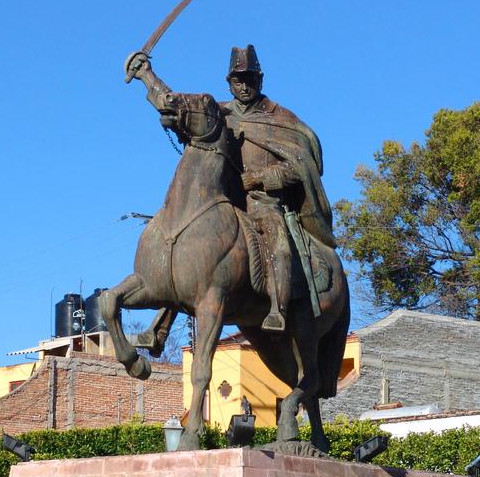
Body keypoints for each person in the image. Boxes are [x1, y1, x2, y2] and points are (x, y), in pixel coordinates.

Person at [124, 45, 337, 332]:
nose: (244, 85)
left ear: (260, 79)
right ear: (229, 83)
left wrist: (262, 178)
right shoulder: (218, 112)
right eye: (238, 80)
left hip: (263, 202)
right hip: (225, 201)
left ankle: (278, 309)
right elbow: (174, 104)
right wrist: (146, 75)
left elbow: (301, 165)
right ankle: (160, 324)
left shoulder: (281, 119)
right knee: (185, 247)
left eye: (250, 79)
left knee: (280, 245)